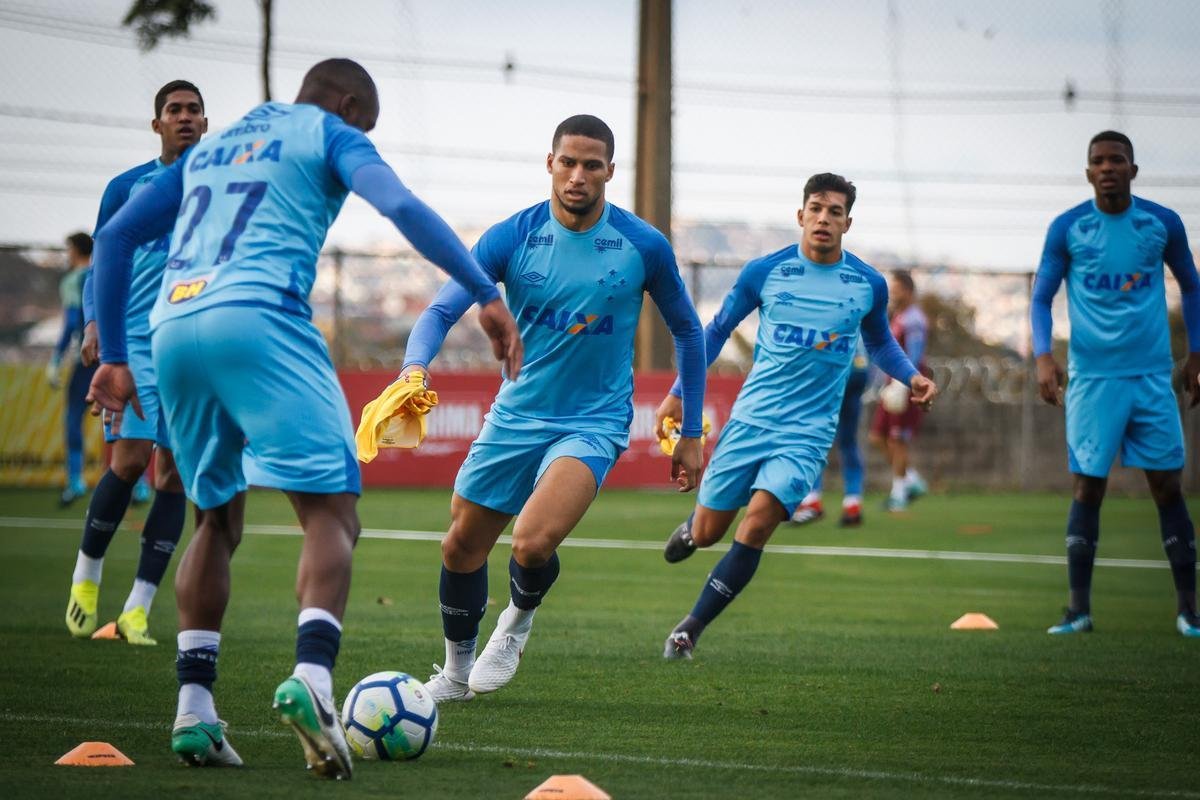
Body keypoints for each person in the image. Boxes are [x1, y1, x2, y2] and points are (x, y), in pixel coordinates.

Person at [87, 58, 521, 777]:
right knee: (331, 514)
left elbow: (114, 238)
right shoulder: (328, 132)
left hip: (173, 328)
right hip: (259, 319)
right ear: (349, 106)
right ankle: (315, 683)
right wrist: (484, 291)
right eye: (367, 127)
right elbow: (401, 206)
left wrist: (115, 351)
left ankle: (193, 710)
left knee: (214, 520)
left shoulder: (213, 147)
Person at [401, 114, 705, 704]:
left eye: (592, 165)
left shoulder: (643, 245)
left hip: (593, 422)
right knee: (460, 546)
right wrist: (415, 368)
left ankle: (516, 621)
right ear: (549, 164)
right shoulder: (511, 237)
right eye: (568, 162)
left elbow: (690, 336)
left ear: (610, 172)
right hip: (516, 415)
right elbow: (439, 312)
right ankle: (455, 673)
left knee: (532, 542)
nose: (578, 175)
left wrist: (691, 430)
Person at [657, 173, 938, 660]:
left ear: (847, 222)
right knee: (708, 533)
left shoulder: (867, 283)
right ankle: (692, 529)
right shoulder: (764, 271)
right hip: (751, 421)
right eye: (816, 209)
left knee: (761, 521)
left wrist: (910, 376)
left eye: (834, 212)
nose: (824, 219)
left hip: (807, 433)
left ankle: (689, 628)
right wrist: (681, 391)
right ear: (800, 216)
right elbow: (718, 329)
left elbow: (879, 344)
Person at [1032, 130, 1200, 638]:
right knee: (1088, 485)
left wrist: (1196, 353)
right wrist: (1043, 356)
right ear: (1087, 172)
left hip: (1151, 375)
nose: (1107, 168)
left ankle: (1189, 611)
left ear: (1132, 169)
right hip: (1092, 378)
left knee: (1167, 486)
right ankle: (1077, 610)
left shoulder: (1161, 223)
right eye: (1098, 161)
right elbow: (1041, 298)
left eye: (1117, 160)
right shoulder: (1068, 228)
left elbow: (1191, 285)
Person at [64, 81, 207, 648]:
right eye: (175, 110)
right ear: (158, 125)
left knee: (175, 475)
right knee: (128, 461)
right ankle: (87, 574)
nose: (186, 117)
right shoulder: (127, 187)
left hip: (190, 348)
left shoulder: (217, 187)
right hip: (136, 344)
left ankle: (138, 610)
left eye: (194, 109)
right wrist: (95, 322)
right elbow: (104, 258)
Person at [868, 270, 930, 511]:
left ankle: (899, 494)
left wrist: (906, 383)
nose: (892, 293)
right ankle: (911, 480)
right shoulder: (898, 317)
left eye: (896, 289)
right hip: (891, 383)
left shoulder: (914, 320)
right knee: (877, 436)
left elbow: (914, 354)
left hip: (904, 384)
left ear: (907, 290)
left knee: (898, 439)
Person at [791, 338, 869, 527]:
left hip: (834, 367)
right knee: (848, 441)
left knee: (814, 437)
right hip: (859, 368)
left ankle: (812, 500)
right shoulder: (858, 308)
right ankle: (853, 503)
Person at [47, 232, 98, 507]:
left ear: (76, 250)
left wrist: (55, 360)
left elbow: (70, 323)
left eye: (68, 249)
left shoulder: (74, 279)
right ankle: (138, 483)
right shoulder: (104, 272)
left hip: (86, 356)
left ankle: (75, 481)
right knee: (119, 415)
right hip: (114, 353)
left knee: (73, 417)